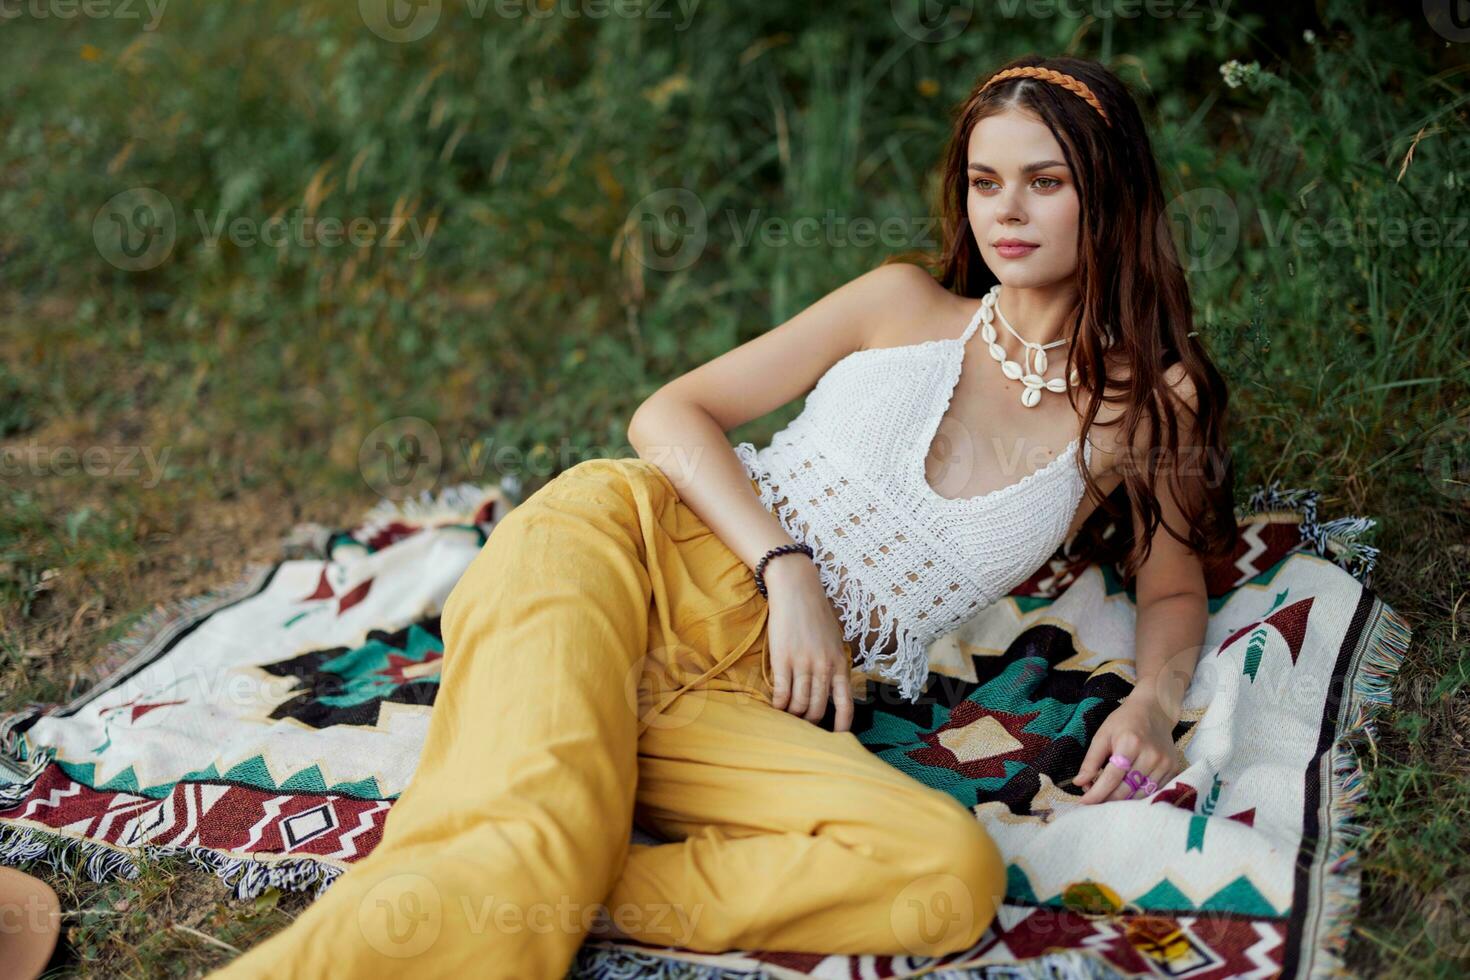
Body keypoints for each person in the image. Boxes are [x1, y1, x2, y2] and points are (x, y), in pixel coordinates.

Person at [209, 54, 1237, 979]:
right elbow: (671, 410)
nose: (1005, 211)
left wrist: (1152, 697)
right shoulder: (899, 305)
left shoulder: (1150, 402)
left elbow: (1174, 581)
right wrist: (785, 568)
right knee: (523, 828)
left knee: (946, 872)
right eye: (984, 181)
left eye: (1044, 182)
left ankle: (559, 899)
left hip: (756, 700)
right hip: (626, 551)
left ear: (1108, 189)